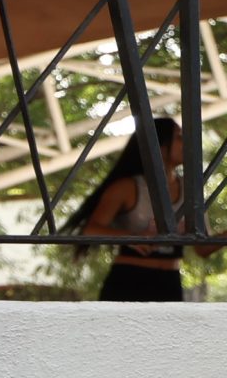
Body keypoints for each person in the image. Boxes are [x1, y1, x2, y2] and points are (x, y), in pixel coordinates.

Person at [71, 116, 219, 301]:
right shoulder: (127, 187)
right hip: (128, 280)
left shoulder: (191, 190)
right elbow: (89, 230)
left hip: (170, 282)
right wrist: (132, 238)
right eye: (180, 137)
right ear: (161, 144)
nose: (187, 143)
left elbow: (202, 248)